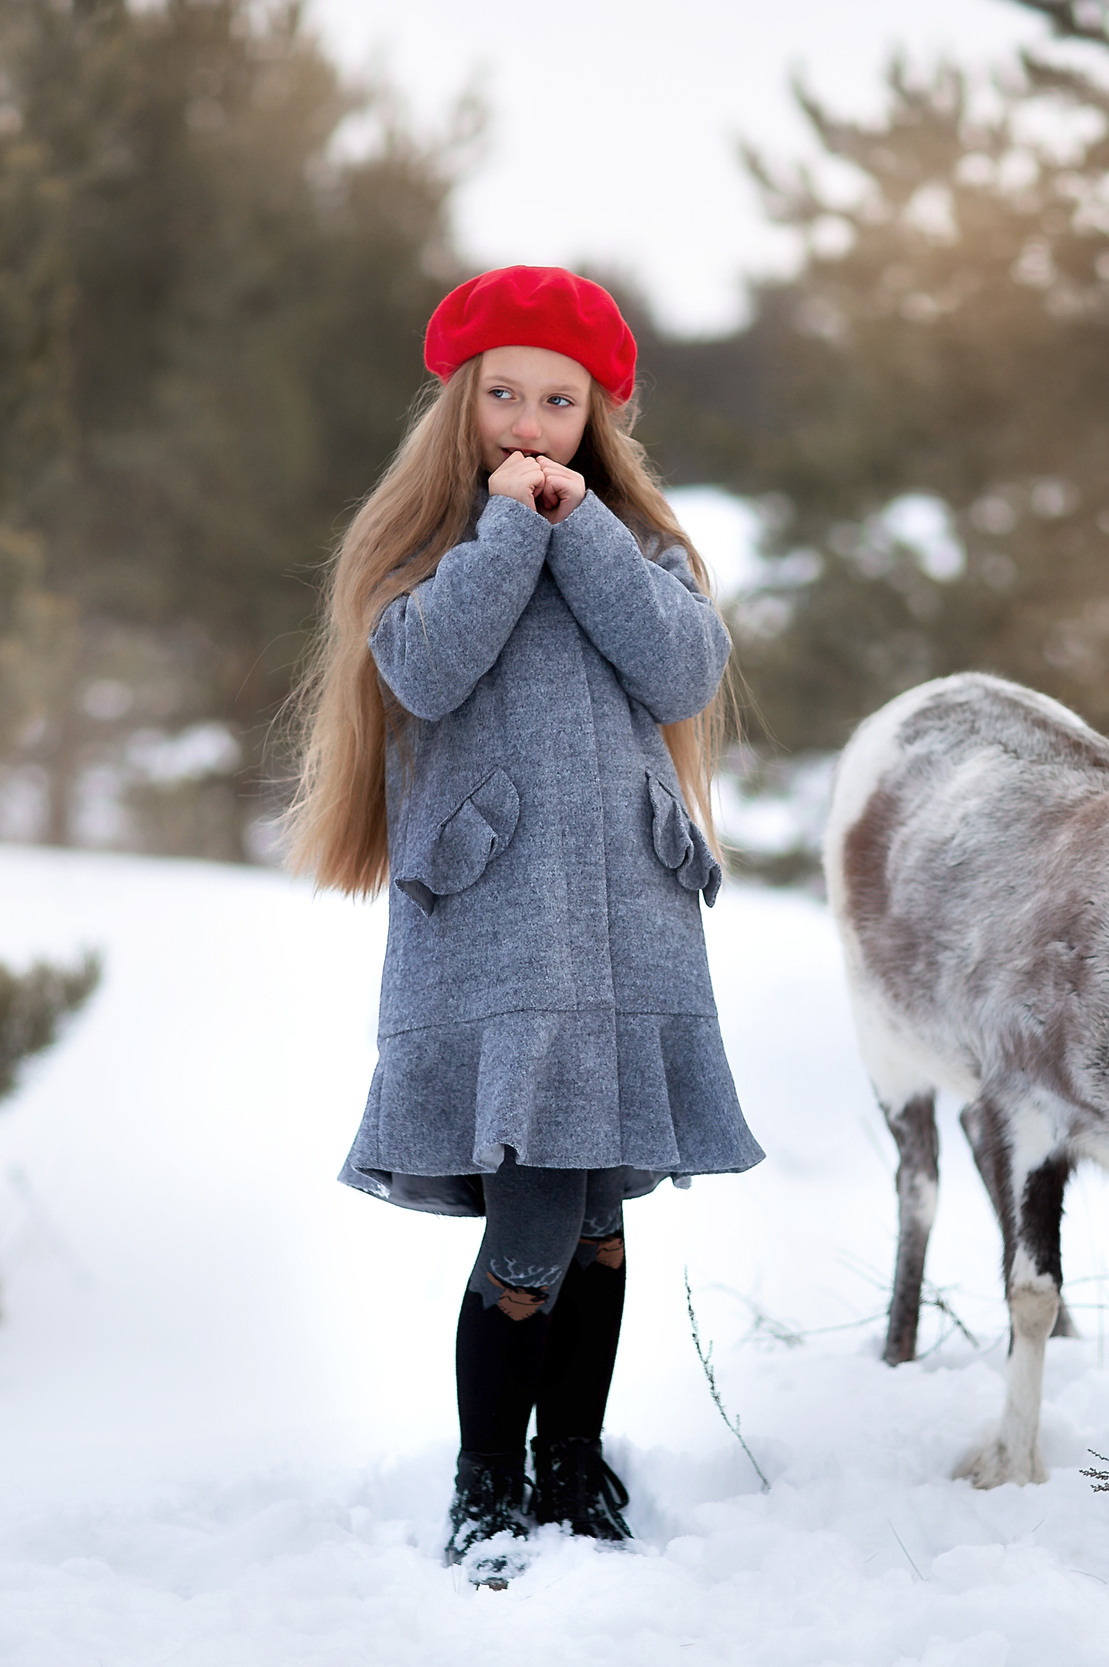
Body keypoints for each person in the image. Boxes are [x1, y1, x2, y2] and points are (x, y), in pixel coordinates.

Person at [282, 266, 765, 1586]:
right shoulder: (421, 552)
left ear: (596, 412)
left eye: (560, 399)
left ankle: (574, 1464)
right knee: (539, 1200)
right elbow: (429, 671)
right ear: (464, 402)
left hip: (626, 920)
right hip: (498, 929)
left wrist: (582, 529)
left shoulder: (643, 545)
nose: (532, 423)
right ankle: (488, 1478)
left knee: (601, 1208)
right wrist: (509, 531)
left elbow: (678, 668)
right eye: (506, 395)